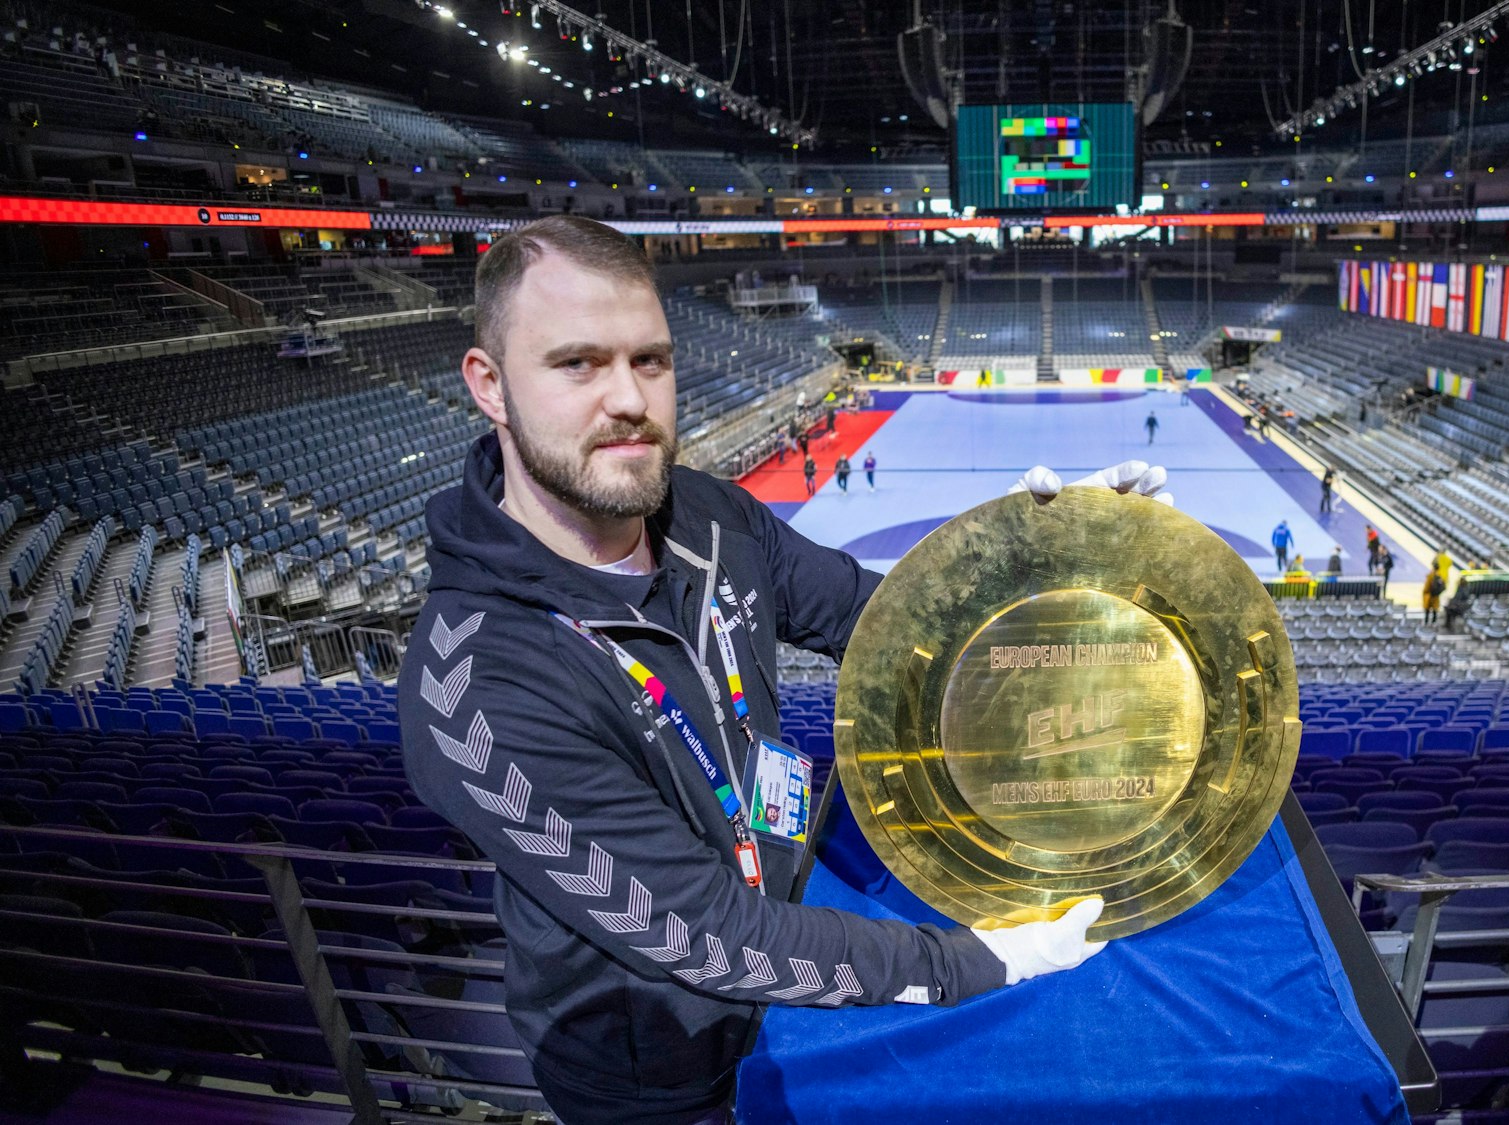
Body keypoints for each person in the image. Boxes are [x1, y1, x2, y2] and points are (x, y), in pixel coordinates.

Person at [399, 216, 1127, 1125]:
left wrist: (1049, 561)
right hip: (658, 1059)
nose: (628, 399)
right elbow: (704, 935)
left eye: (650, 361)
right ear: (491, 386)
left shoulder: (705, 513)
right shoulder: (482, 687)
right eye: (578, 364)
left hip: (794, 946)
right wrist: (980, 960)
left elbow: (877, 615)